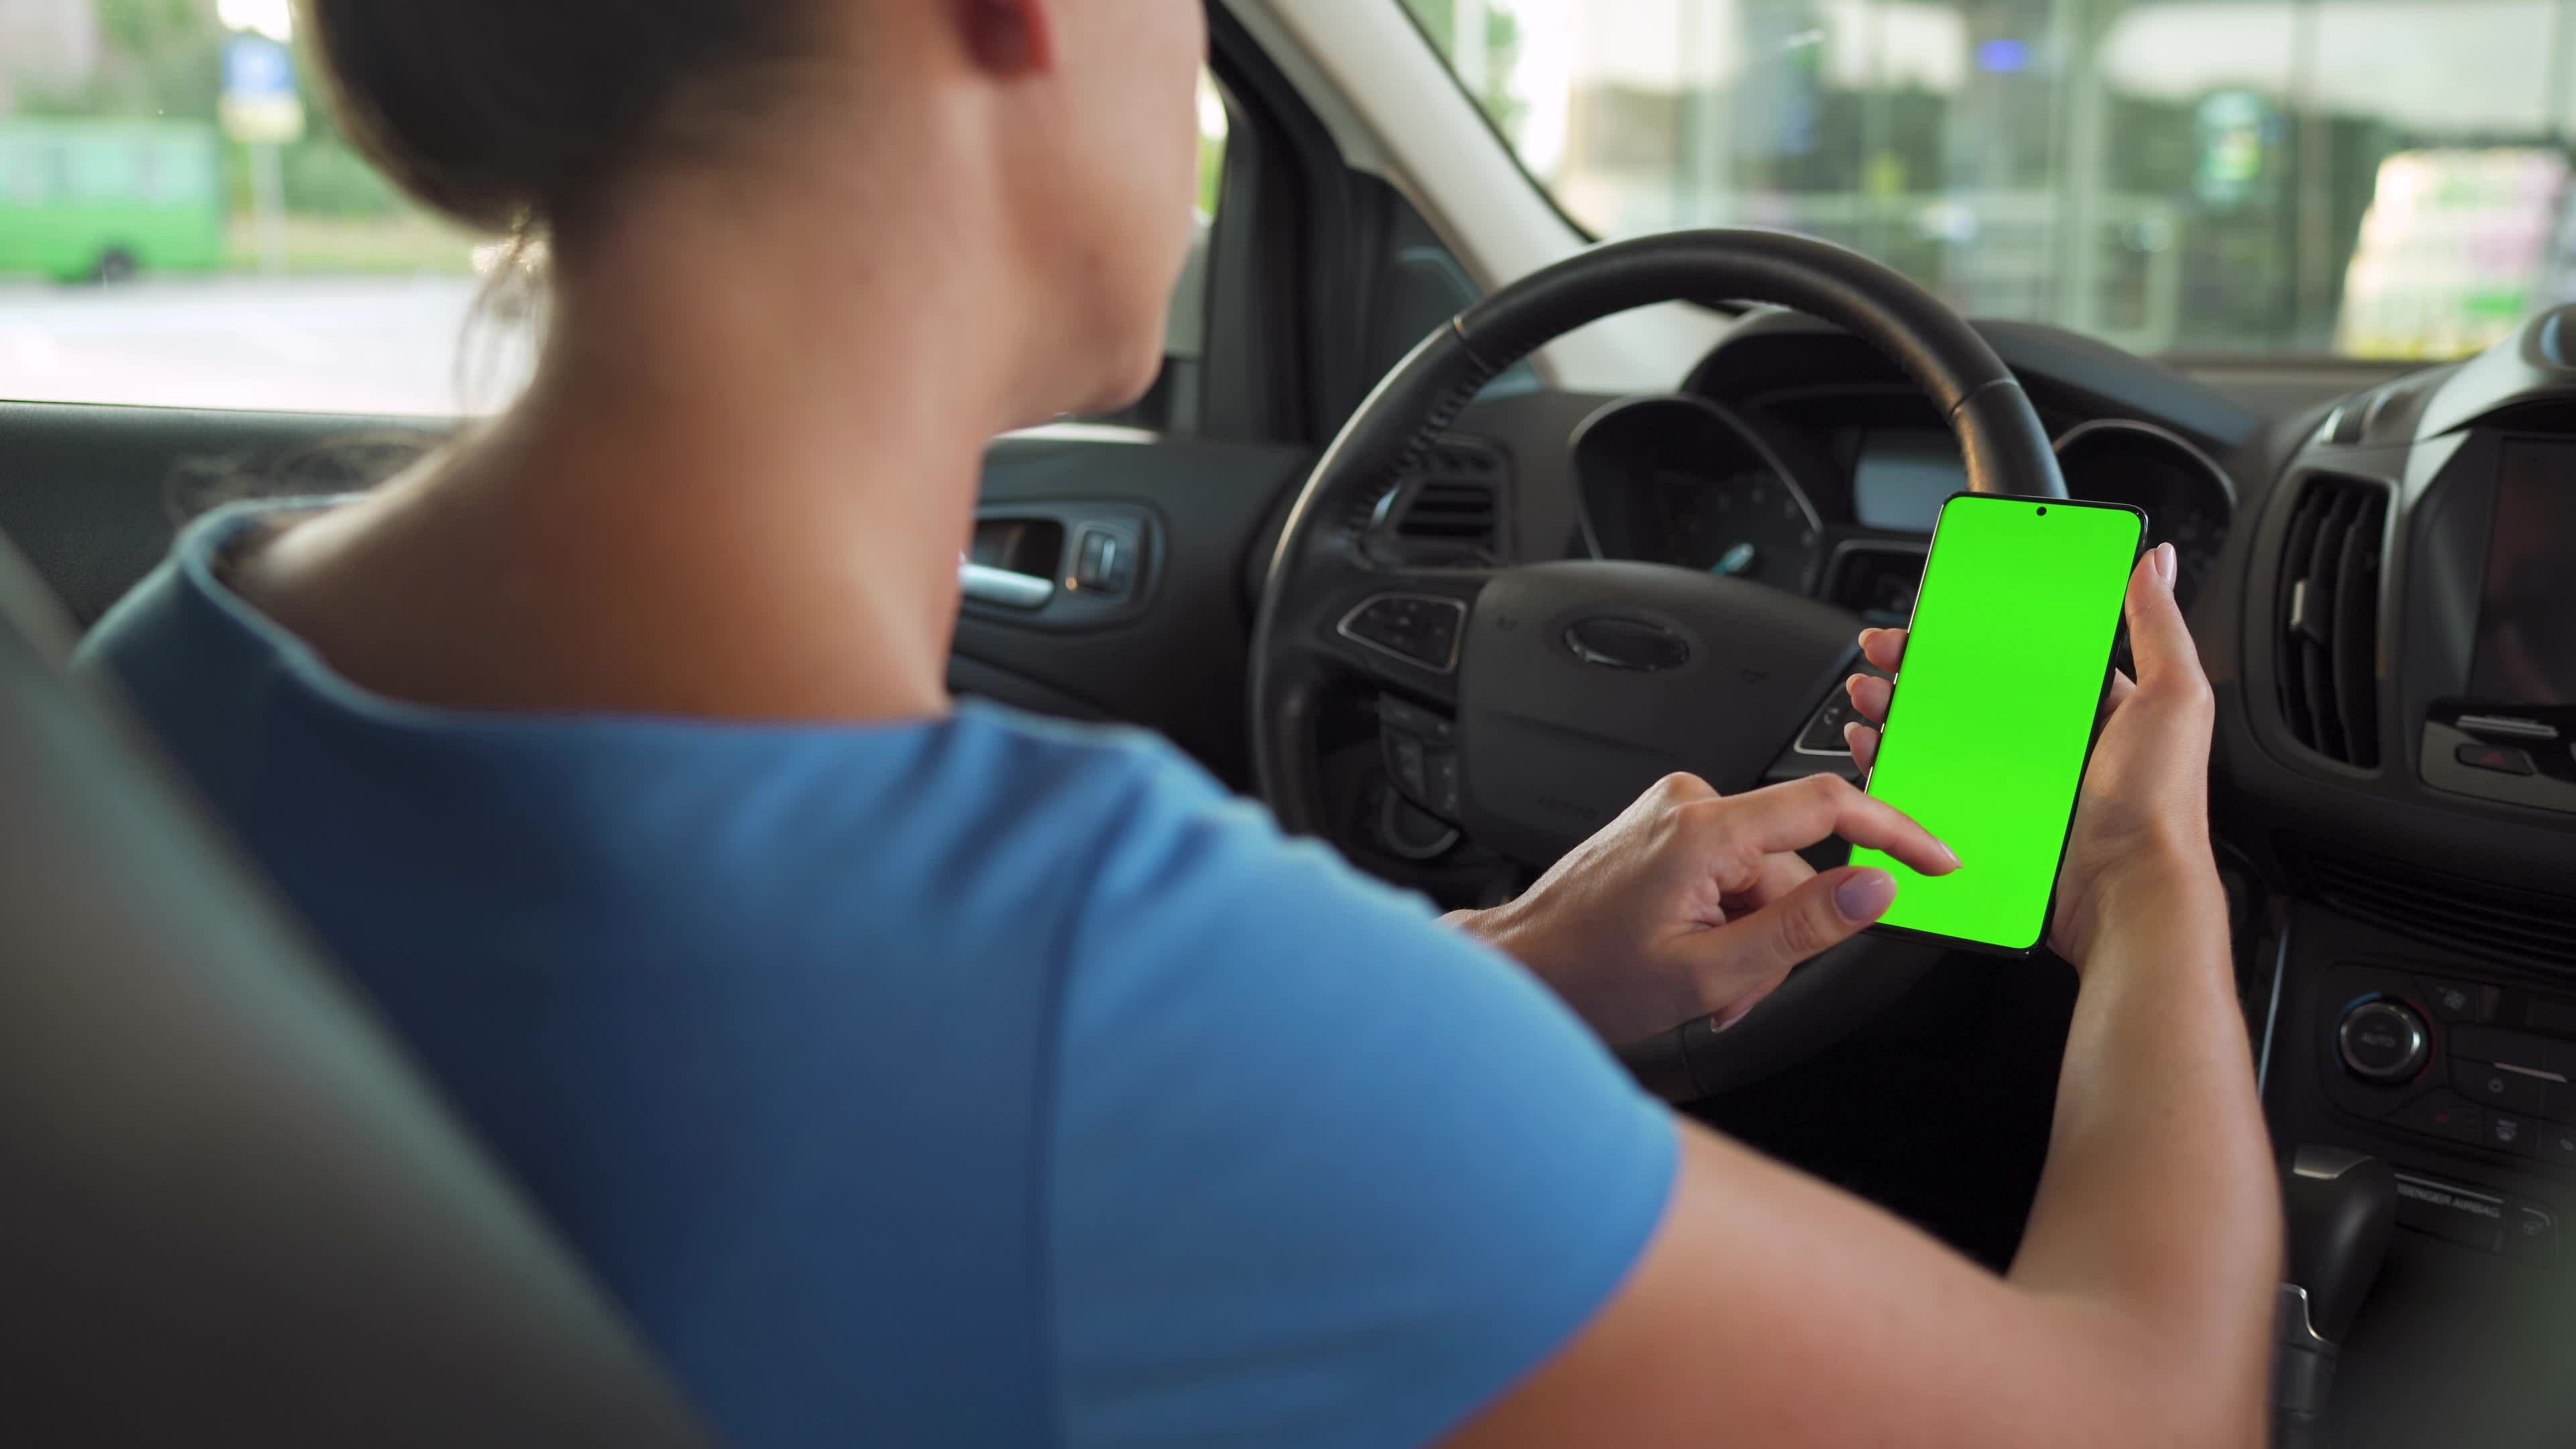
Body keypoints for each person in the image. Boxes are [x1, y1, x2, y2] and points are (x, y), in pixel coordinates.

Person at [76, 1, 2279, 1444]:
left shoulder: (147, 695)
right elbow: (2139, 1404)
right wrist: (2149, 885)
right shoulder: (1094, 980)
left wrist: (1511, 973)